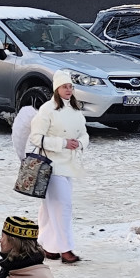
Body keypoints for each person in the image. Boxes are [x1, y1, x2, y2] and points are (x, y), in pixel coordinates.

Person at [26, 69, 88, 264]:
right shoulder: (47, 110)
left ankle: (47, 245)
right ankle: (65, 248)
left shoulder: (76, 110)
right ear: (56, 89)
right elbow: (36, 137)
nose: (68, 90)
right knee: (62, 206)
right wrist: (62, 143)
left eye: (70, 86)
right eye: (64, 86)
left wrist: (80, 143)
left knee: (50, 207)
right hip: (52, 166)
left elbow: (84, 133)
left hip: (70, 164)